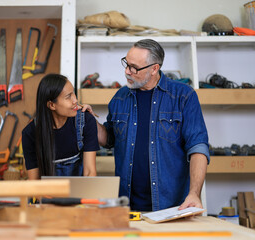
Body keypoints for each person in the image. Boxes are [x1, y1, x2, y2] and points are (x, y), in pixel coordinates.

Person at [85, 39, 210, 212]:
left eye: (134, 67)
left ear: (154, 69)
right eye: (126, 64)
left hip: (172, 207)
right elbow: (109, 139)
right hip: (127, 206)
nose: (127, 72)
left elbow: (198, 148)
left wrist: (194, 193)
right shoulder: (120, 97)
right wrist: (90, 120)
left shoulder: (183, 96)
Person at [22, 73, 99, 179]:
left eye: (73, 94)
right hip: (47, 193)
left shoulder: (86, 121)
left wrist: (85, 196)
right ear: (52, 105)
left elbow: (90, 173)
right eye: (68, 97)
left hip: (81, 191)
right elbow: (35, 182)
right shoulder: (30, 134)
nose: (75, 100)